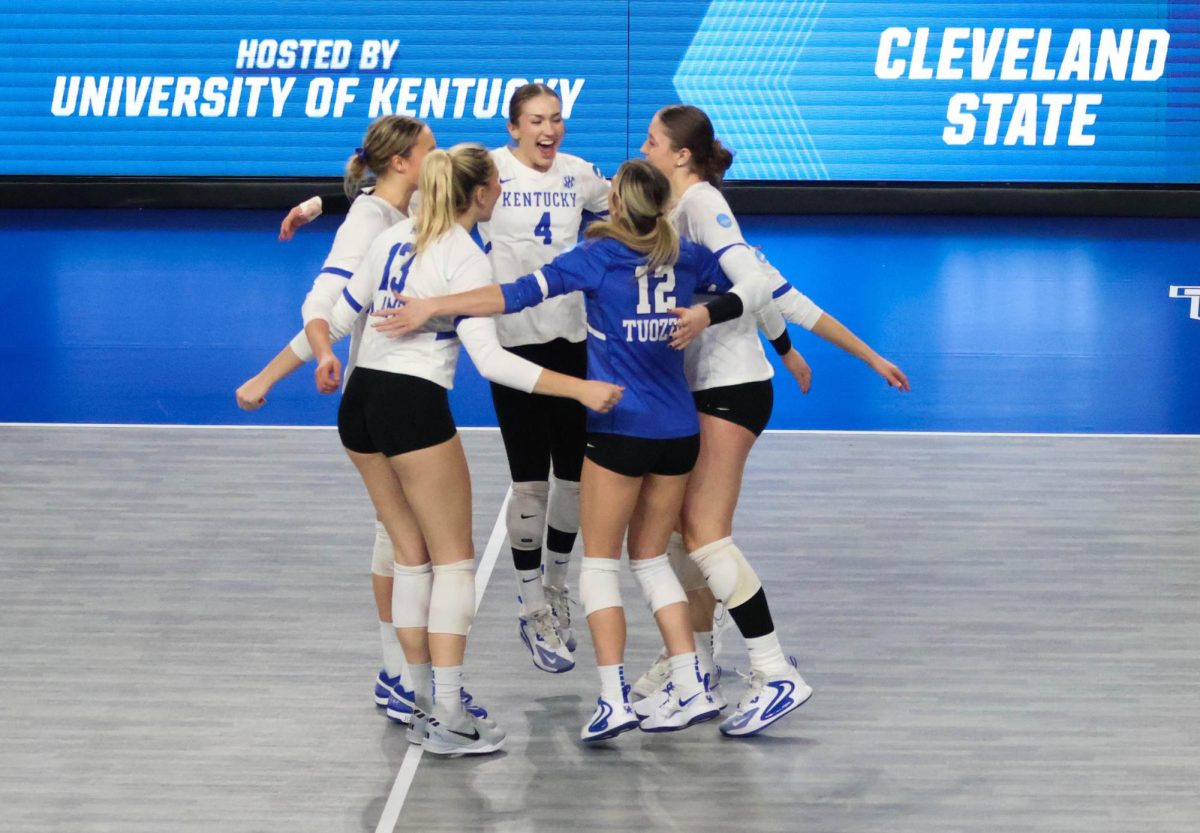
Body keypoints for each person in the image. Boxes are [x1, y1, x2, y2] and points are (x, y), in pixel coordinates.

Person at [371, 159, 777, 743]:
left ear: (615, 207)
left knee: (601, 567)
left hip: (618, 428)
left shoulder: (595, 259)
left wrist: (434, 306)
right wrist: (706, 313)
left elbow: (513, 296)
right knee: (653, 560)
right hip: (679, 430)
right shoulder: (687, 256)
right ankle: (692, 684)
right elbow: (751, 287)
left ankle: (613, 699)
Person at [276, 84, 611, 675]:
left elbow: (370, 222)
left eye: (557, 119)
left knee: (427, 541)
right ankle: (467, 657)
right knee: (458, 538)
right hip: (481, 356)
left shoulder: (575, 176)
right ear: (511, 131)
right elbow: (371, 221)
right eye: (536, 119)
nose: (549, 129)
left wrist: (273, 372)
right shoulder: (458, 229)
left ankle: (414, 679)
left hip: (550, 344)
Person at [637, 104, 911, 737]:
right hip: (706, 388)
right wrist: (798, 352)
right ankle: (697, 668)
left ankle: (772, 668)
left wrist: (861, 356)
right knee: (683, 533)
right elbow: (783, 298)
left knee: (704, 534)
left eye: (654, 141)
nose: (645, 148)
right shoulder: (677, 211)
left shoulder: (703, 205)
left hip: (730, 391)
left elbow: (756, 290)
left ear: (681, 155)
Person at [234, 115, 436, 723]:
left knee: (398, 535)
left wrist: (319, 201)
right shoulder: (370, 223)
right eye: (430, 147)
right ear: (402, 160)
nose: (440, 153)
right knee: (407, 542)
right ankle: (405, 674)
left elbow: (375, 190)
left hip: (403, 389)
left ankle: (399, 673)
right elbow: (324, 304)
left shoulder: (405, 196)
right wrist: (308, 360)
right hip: (382, 395)